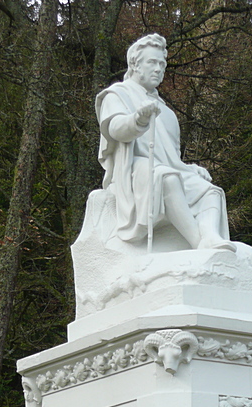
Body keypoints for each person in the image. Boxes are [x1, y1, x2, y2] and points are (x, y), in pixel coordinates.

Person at [95, 34, 235, 252]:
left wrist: (189, 168)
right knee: (166, 178)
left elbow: (171, 159)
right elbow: (115, 129)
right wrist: (138, 120)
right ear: (135, 64)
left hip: (162, 168)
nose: (159, 69)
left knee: (209, 190)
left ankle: (210, 236)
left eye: (162, 64)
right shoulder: (117, 95)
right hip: (133, 169)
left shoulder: (167, 113)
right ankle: (198, 243)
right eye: (152, 62)